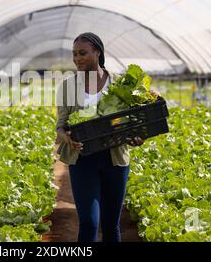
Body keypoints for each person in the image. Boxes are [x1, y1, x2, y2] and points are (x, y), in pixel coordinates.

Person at [55, 32, 144, 242]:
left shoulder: (120, 85)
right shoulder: (67, 87)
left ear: (98, 52)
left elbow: (133, 122)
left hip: (115, 159)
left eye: (83, 53)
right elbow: (60, 127)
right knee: (88, 223)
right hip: (82, 159)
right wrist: (66, 137)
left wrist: (138, 137)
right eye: (74, 54)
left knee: (111, 225)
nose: (77, 58)